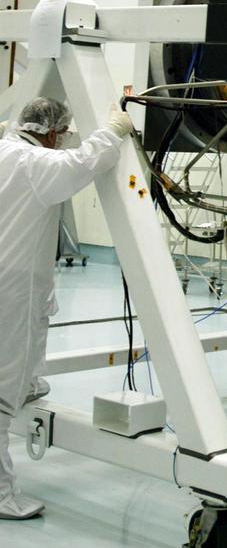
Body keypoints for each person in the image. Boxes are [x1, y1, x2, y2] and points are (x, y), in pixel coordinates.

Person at [0, 96, 134, 520]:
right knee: (2, 391)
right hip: (12, 288)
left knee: (20, 362)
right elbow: (82, 163)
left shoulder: (4, 150)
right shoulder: (35, 164)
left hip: (15, 281)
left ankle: (26, 383)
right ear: (53, 132)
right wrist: (113, 130)